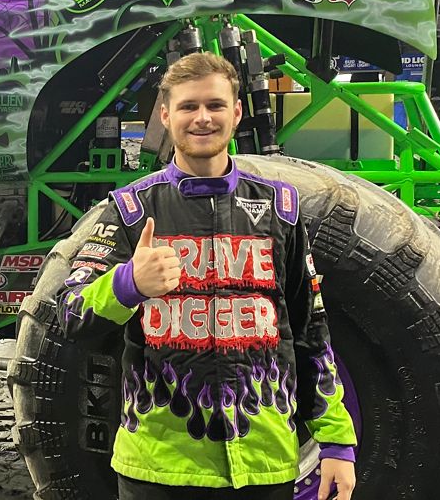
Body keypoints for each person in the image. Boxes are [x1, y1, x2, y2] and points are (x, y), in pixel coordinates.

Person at [59, 52, 357, 500]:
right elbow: (70, 315)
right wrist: (128, 284)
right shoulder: (130, 211)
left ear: (236, 113)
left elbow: (309, 331)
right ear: (166, 116)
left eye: (215, 105)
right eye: (188, 106)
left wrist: (335, 441)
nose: (202, 118)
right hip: (158, 472)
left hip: (264, 467)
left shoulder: (280, 209)